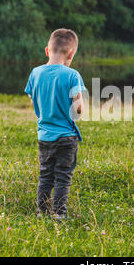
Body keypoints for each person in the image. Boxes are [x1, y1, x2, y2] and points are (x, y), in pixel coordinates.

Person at [25, 28, 86, 220]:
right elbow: (78, 108)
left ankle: (42, 212)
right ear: (71, 54)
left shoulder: (35, 73)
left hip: (44, 136)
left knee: (45, 176)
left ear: (47, 50)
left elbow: (33, 99)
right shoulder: (72, 75)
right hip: (66, 136)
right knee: (62, 177)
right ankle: (59, 214)